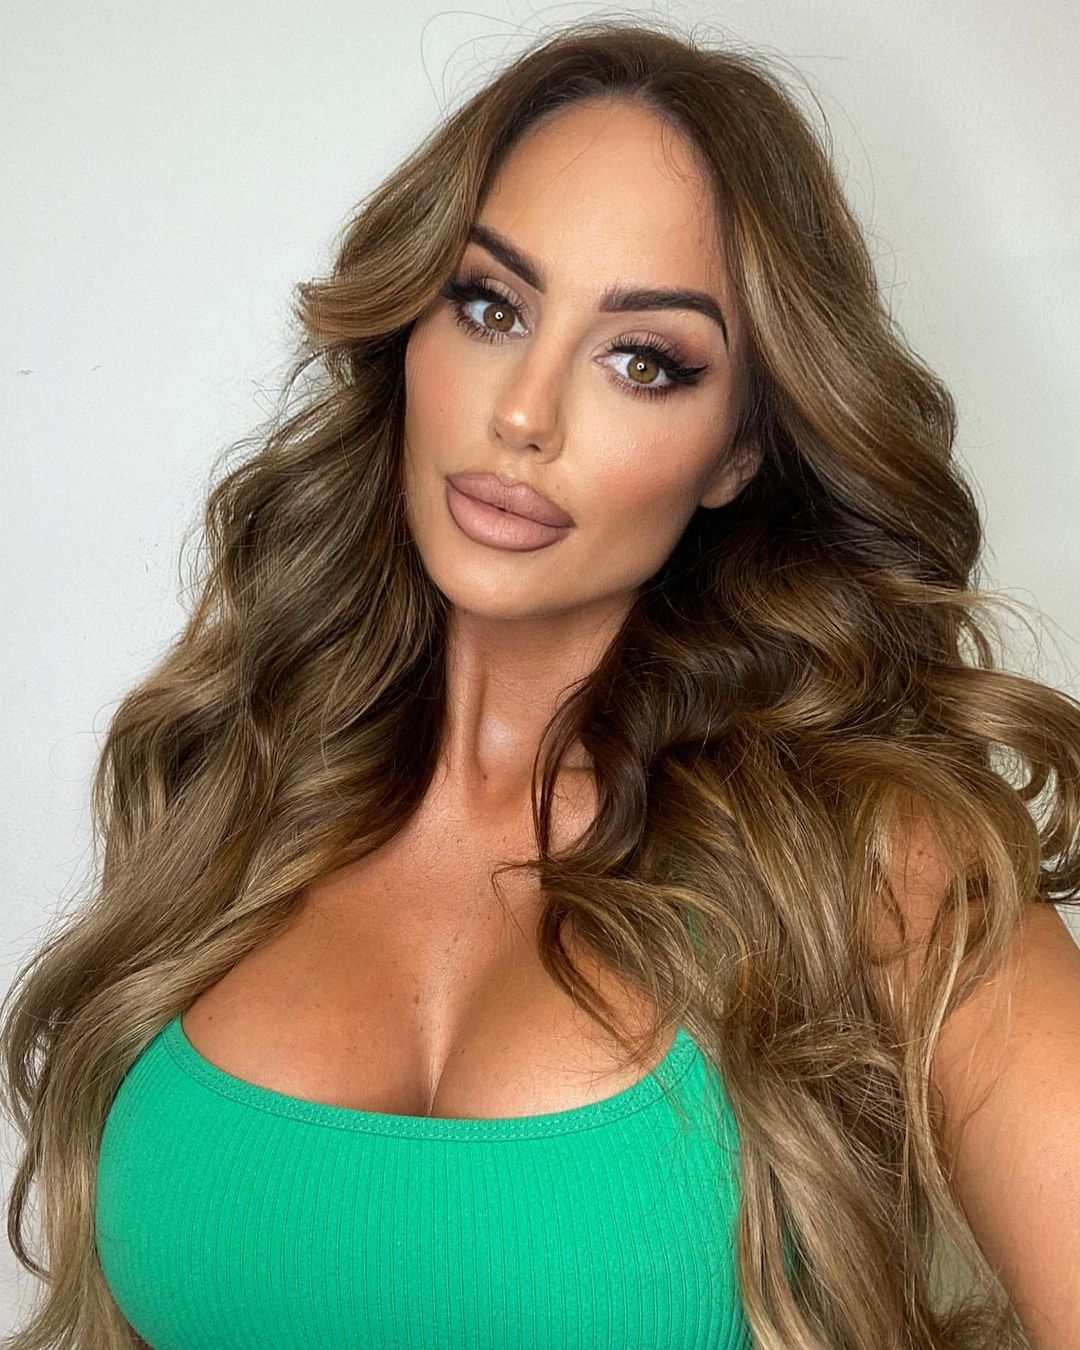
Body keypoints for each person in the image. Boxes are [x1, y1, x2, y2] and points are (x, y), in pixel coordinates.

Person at [3, 18, 1079, 1350]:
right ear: (410, 325)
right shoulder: (233, 788)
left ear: (738, 452)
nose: (524, 412)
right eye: (491, 305)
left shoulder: (875, 865)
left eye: (644, 360)